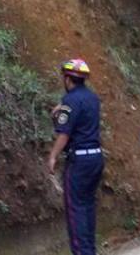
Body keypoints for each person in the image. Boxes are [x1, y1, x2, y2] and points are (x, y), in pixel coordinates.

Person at [49, 59, 104, 255]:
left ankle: (82, 252)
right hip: (96, 158)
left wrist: (53, 156)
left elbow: (64, 133)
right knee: (87, 205)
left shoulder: (69, 100)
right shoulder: (93, 98)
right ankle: (90, 250)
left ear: (67, 79)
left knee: (76, 209)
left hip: (79, 161)